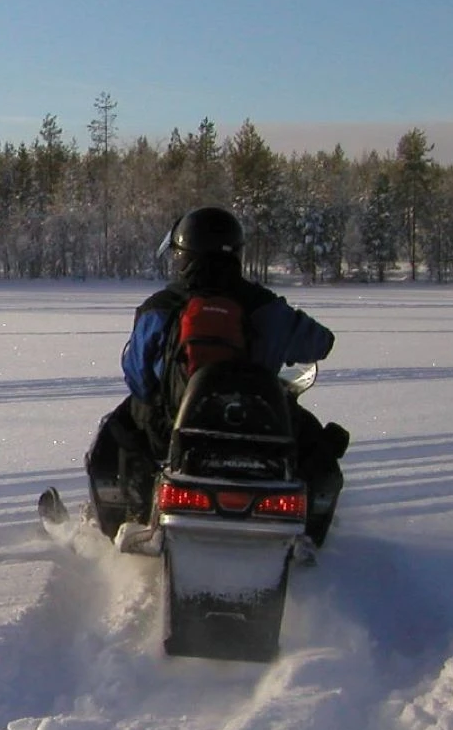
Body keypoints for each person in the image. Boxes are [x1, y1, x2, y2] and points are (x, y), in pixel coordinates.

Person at [86, 206, 348, 545]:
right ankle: (310, 530)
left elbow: (137, 376)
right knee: (319, 441)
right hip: (259, 434)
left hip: (173, 433)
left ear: (183, 253)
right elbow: (321, 342)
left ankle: (126, 515)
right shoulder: (265, 306)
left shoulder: (160, 307)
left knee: (118, 430)